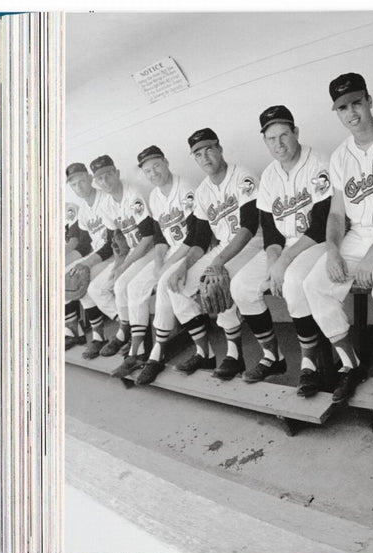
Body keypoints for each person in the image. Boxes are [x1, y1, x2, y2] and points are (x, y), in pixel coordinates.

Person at [302, 73, 373, 403]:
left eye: (357, 103)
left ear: (369, 101)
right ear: (336, 112)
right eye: (343, 107)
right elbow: (336, 214)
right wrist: (333, 250)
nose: (352, 113)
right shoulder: (339, 156)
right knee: (314, 283)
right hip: (357, 235)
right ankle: (351, 365)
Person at [136, 128, 266, 383]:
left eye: (209, 149)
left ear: (219, 148)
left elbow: (249, 226)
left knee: (215, 281)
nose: (205, 156)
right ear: (193, 157)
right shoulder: (204, 190)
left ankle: (233, 354)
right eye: (198, 153)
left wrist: (217, 263)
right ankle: (203, 353)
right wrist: (183, 267)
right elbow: (201, 240)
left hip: (253, 244)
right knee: (175, 284)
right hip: (221, 248)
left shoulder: (243, 175)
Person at [233, 105, 333, 391]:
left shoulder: (318, 162)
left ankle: (309, 363)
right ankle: (271, 356)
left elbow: (321, 224)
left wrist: (283, 262)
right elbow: (271, 229)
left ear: (296, 132)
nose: (279, 144)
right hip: (286, 246)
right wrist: (273, 259)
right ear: (264, 141)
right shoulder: (270, 175)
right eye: (271, 138)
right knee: (241, 286)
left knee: (292, 282)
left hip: (317, 242)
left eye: (284, 135)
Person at [112, 146, 199, 381]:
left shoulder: (186, 188)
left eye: (156, 166)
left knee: (163, 286)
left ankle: (157, 354)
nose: (153, 173)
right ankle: (137, 350)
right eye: (147, 170)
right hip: (169, 251)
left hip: (191, 249)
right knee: (133, 286)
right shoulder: (154, 195)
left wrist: (167, 264)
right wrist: (160, 260)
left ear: (166, 162)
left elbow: (194, 235)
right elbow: (160, 237)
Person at [90, 154, 159, 365]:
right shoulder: (106, 204)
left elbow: (148, 238)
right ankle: (126, 328)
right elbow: (118, 239)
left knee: (124, 285)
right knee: (102, 287)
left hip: (152, 250)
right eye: (99, 178)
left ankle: (132, 339)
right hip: (133, 252)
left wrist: (124, 265)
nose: (104, 182)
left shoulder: (133, 194)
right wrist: (118, 264)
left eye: (108, 175)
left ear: (116, 173)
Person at [64, 162, 119, 354]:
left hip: (113, 254)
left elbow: (113, 242)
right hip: (98, 255)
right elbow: (85, 244)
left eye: (81, 181)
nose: (79, 188)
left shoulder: (105, 199)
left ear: (89, 178)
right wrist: (69, 262)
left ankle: (126, 330)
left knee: (85, 282)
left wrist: (86, 263)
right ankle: (98, 336)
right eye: (73, 185)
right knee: (72, 278)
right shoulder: (84, 209)